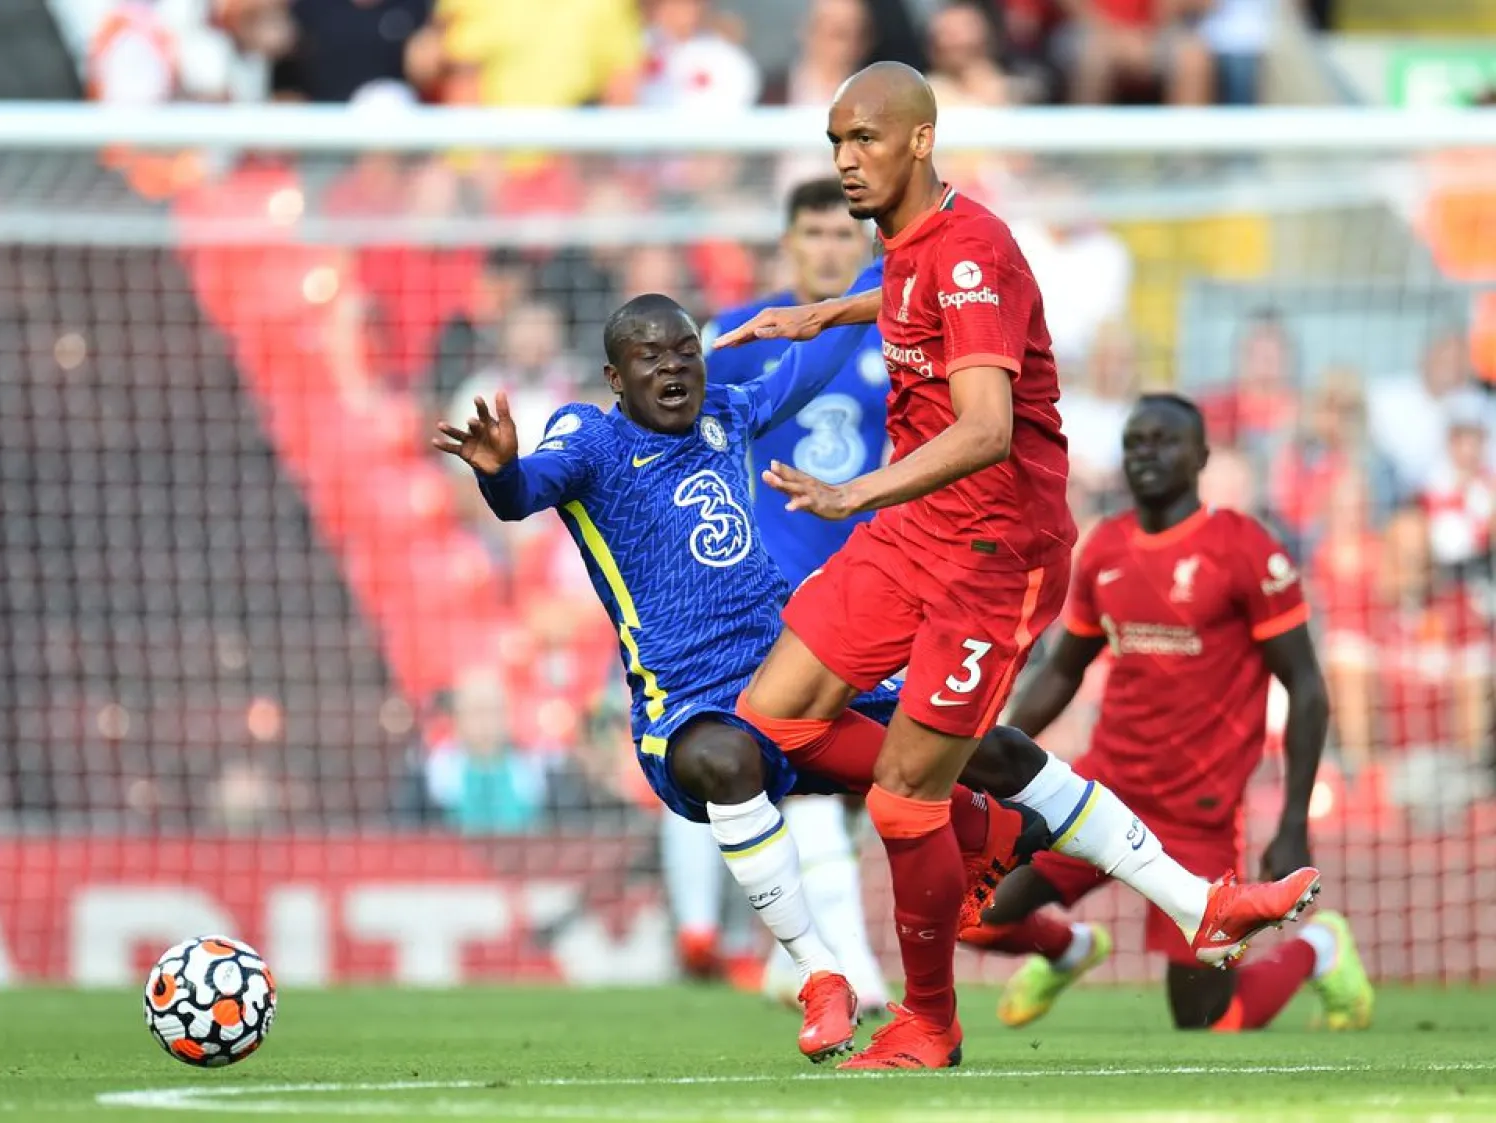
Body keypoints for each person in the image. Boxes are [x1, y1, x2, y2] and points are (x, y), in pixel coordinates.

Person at [713, 61, 1321, 1069]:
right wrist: (822, 315)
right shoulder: (909, 244)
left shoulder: (969, 247)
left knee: (904, 802)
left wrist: (852, 492)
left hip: (993, 549)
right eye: (833, 142)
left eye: (863, 140)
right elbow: (914, 306)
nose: (844, 161)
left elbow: (990, 427)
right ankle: (988, 814)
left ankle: (930, 1023)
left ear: (919, 140)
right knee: (769, 723)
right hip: (912, 531)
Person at [433, 288, 1047, 1064]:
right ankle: (819, 971)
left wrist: (870, 289)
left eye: (684, 350)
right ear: (614, 376)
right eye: (650, 355)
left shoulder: (728, 412)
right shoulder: (589, 439)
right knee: (733, 762)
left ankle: (1138, 880)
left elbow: (802, 372)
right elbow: (528, 489)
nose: (673, 366)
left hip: (792, 679)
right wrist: (499, 476)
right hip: (687, 707)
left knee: (975, 746)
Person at [967, 394, 1374, 1034]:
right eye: (1134, 443)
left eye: (1163, 441)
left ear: (1202, 456)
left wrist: (1293, 817)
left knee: (1209, 1020)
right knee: (975, 913)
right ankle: (1070, 949)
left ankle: (1319, 949)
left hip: (1199, 812)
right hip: (1104, 792)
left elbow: (1307, 687)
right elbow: (1065, 670)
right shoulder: (1106, 549)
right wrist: (995, 748)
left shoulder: (1245, 550)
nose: (1146, 454)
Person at [704, 178, 892, 1011]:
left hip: (885, 578)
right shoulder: (742, 335)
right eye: (813, 231)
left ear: (866, 246)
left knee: (861, 780)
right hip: (777, 587)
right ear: (788, 241)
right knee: (806, 764)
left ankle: (795, 958)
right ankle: (846, 963)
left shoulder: (897, 325)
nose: (829, 247)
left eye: (843, 234)